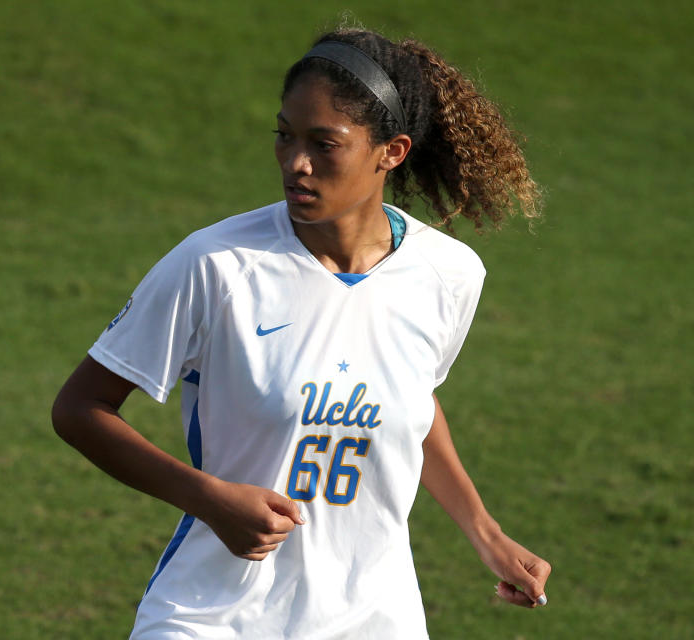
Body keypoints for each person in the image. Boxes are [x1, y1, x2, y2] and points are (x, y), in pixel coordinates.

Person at [52, 27, 552, 639]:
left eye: (324, 143)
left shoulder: (447, 275)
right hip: (214, 617)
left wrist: (486, 532)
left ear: (390, 152)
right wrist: (209, 499)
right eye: (285, 136)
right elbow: (79, 409)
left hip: (375, 619)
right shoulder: (217, 265)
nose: (297, 163)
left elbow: (409, 401)